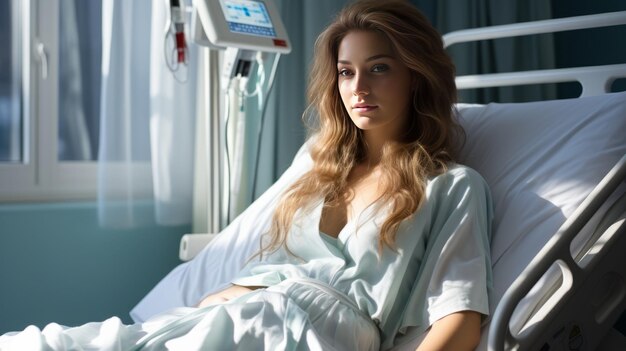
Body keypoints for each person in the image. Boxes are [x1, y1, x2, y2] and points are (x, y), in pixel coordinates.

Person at [0, 0, 491, 350]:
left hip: (316, 332)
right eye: (346, 72)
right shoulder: (319, 169)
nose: (358, 87)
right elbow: (279, 269)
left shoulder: (450, 187)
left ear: (416, 75)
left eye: (379, 68)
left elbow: (462, 317)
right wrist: (224, 298)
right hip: (243, 316)